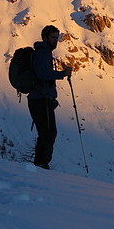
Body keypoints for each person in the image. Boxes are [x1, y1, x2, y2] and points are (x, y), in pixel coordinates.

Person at [28, 25, 72, 169]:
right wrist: (62, 74)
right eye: (53, 37)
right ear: (45, 37)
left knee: (46, 133)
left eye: (56, 37)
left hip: (41, 99)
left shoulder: (44, 52)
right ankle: (41, 164)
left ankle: (40, 163)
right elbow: (42, 73)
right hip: (40, 99)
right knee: (48, 133)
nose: (55, 40)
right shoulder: (43, 53)